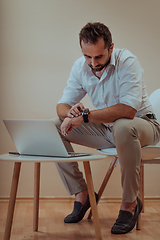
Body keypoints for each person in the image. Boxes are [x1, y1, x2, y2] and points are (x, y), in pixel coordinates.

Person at [54, 22, 160, 234]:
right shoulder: (80, 66)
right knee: (56, 127)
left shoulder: (127, 62)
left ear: (111, 48)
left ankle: (130, 203)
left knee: (122, 126)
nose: (93, 63)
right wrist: (72, 114)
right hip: (108, 129)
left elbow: (128, 111)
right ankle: (82, 194)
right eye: (87, 57)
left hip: (143, 125)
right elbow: (61, 107)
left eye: (99, 57)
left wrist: (85, 117)